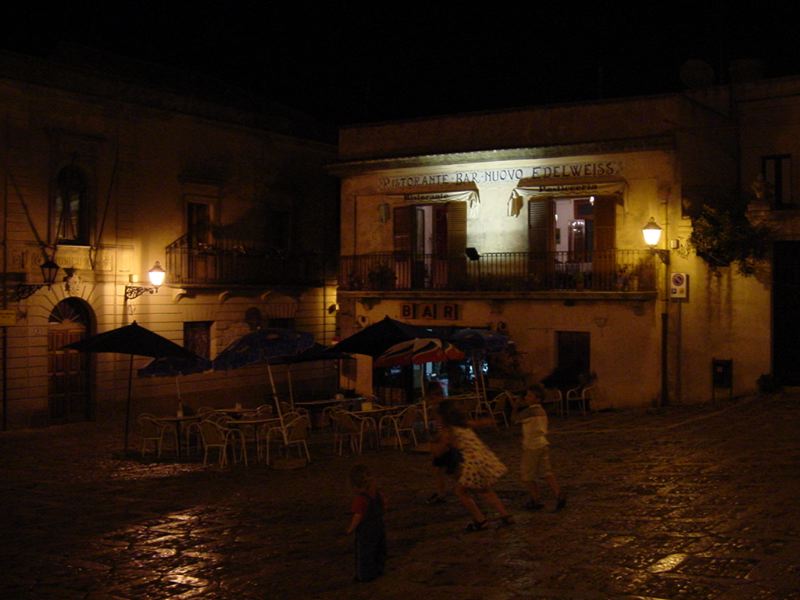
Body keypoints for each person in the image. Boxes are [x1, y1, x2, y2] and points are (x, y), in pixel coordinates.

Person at [432, 400, 513, 531]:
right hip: (483, 458)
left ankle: (481, 520)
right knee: (485, 489)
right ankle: (505, 514)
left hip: (472, 462)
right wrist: (489, 421)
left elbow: (441, 450)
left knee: (460, 491)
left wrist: (435, 448)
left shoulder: (449, 431)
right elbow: (479, 423)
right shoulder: (464, 425)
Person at [511, 384, 567, 511]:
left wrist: (515, 406)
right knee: (546, 472)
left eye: (530, 396)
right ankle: (558, 493)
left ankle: (535, 499)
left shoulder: (529, 412)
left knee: (527, 475)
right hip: (542, 443)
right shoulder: (542, 411)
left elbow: (514, 419)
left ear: (537, 399)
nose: (526, 397)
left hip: (532, 446)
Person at [346, 464, 387, 582]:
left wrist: (350, 529)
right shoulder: (378, 495)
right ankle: (379, 569)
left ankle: (365, 575)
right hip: (379, 526)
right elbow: (384, 506)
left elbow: (358, 517)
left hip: (366, 531)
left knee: (365, 553)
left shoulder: (360, 499)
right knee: (379, 549)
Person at [425, 381, 450, 504]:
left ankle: (442, 493)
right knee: (438, 470)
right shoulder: (441, 406)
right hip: (444, 442)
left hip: (444, 443)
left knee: (443, 470)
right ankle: (441, 493)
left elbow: (443, 426)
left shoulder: (439, 408)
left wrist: (437, 440)